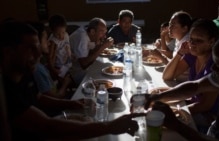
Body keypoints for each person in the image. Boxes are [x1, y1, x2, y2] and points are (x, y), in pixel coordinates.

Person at [0, 21, 143, 140]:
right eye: (30, 49)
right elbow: (46, 126)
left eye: (37, 46)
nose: (38, 54)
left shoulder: (24, 73)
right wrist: (109, 127)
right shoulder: (6, 90)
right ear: (8, 52)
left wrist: (71, 103)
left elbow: (39, 98)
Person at [146, 29, 219, 141]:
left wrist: (177, 125)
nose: (213, 68)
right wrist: (157, 97)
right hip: (211, 133)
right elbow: (195, 86)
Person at [161, 19, 219, 132]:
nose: (192, 44)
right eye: (191, 39)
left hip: (209, 117)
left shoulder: (215, 65)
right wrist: (179, 53)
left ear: (211, 42)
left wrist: (178, 112)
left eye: (199, 40)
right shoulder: (193, 55)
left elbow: (205, 105)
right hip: (192, 105)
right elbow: (167, 76)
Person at [30, 21, 73, 99]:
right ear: (36, 44)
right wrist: (65, 84)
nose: (49, 43)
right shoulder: (37, 70)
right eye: (46, 39)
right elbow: (56, 97)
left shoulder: (41, 66)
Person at [69, 17, 114, 85]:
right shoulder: (82, 38)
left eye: (105, 33)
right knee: (108, 77)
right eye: (102, 32)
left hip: (86, 68)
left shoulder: (89, 34)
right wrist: (102, 47)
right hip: (76, 73)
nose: (104, 36)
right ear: (93, 31)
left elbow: (90, 54)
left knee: (110, 67)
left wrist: (99, 45)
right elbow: (84, 64)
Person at [48, 14, 73, 92]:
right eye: (57, 34)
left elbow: (67, 47)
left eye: (63, 32)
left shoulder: (66, 35)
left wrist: (71, 55)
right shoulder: (53, 41)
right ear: (52, 31)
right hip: (59, 66)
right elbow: (50, 57)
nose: (61, 36)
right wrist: (53, 69)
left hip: (67, 63)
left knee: (69, 79)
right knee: (63, 82)